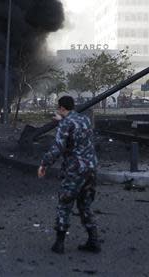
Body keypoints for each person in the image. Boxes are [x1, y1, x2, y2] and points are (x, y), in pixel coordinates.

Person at [38, 95, 101, 254]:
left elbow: (58, 148)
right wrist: (62, 121)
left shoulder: (65, 124)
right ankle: (94, 240)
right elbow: (77, 133)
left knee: (64, 205)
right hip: (91, 168)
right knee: (84, 205)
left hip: (75, 170)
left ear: (61, 108)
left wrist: (44, 164)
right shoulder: (85, 119)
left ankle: (59, 243)